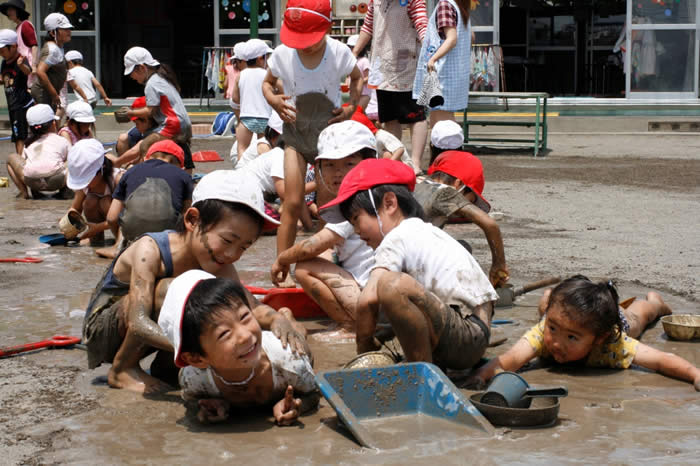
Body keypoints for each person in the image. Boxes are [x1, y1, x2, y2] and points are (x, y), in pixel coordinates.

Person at [82, 170, 308, 393]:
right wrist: (205, 350)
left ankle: (166, 368)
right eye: (227, 240)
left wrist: (278, 319)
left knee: (219, 307)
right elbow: (138, 322)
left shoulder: (219, 261)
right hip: (106, 332)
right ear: (192, 220)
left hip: (150, 333)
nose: (232, 255)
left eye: (243, 247)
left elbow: (248, 306)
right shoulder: (149, 250)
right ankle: (122, 369)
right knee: (176, 291)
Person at [320, 159, 498, 368]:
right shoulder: (423, 231)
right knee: (388, 296)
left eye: (356, 219)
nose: (357, 232)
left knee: (390, 285)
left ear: (389, 204)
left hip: (466, 335)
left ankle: (418, 376)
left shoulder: (396, 238)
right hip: (474, 332)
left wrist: (364, 354)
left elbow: (366, 302)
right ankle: (424, 364)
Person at [262, 0, 363, 278]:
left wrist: (351, 106)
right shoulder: (283, 54)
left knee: (327, 205)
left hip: (328, 140)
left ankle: (320, 266)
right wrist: (273, 100)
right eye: (300, 40)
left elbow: (357, 78)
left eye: (311, 40)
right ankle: (281, 266)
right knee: (292, 203)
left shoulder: (338, 52)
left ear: (326, 28)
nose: (305, 46)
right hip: (295, 135)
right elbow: (266, 83)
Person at [472, 275, 700, 392]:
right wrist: (481, 376)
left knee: (637, 318)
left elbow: (661, 360)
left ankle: (655, 303)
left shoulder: (613, 344)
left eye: (572, 338)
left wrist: (694, 374)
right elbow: (510, 359)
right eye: (553, 330)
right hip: (562, 313)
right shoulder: (544, 334)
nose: (557, 344)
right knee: (548, 308)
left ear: (597, 340)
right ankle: (548, 299)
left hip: (617, 321)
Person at [159, 270, 319, 425]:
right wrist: (205, 407)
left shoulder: (290, 362)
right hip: (258, 350)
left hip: (284, 349)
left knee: (298, 336)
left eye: (245, 316)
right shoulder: (194, 378)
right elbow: (191, 401)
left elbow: (314, 392)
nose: (245, 335)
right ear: (196, 358)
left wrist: (299, 405)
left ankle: (288, 318)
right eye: (224, 334)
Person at [271, 121, 377, 336]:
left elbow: (311, 246)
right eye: (329, 165)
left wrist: (282, 259)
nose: (338, 173)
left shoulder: (358, 202)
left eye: (349, 164)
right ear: (319, 169)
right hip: (382, 294)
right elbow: (327, 247)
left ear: (368, 163)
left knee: (303, 267)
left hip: (373, 300)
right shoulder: (377, 193)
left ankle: (350, 325)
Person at [353, 0, 429, 174]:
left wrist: (429, 49)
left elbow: (422, 24)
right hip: (382, 64)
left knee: (415, 115)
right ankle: (395, 159)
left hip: (407, 63)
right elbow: (368, 27)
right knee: (389, 117)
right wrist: (355, 51)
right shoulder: (376, 1)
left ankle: (415, 163)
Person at [413, 149, 508, 287]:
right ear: (458, 184)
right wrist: (499, 264)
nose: (469, 205)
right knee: (462, 248)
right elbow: (490, 225)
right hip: (413, 260)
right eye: (470, 200)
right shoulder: (445, 192)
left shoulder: (418, 184)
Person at [96, 139, 193, 259]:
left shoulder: (130, 172)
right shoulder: (184, 176)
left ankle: (119, 247)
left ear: (146, 158)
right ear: (179, 165)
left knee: (126, 208)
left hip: (132, 232)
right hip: (168, 238)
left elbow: (111, 218)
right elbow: (188, 214)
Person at [123, 46, 195, 172]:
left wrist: (130, 113)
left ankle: (147, 173)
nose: (132, 78)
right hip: (182, 123)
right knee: (176, 148)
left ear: (141, 68)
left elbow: (150, 111)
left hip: (173, 124)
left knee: (146, 145)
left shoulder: (152, 84)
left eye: (132, 73)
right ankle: (183, 170)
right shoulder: (161, 78)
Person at [413, 0, 472, 126]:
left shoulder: (445, 4)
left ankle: (447, 145)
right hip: (454, 74)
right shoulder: (459, 6)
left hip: (443, 74)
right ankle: (439, 145)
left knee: (443, 122)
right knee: (439, 118)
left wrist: (433, 58)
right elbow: (471, 36)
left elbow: (452, 39)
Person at [7, 103, 70, 199]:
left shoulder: (28, 144)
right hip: (57, 181)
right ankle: (66, 191)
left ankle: (24, 193)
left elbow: (24, 163)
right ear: (53, 124)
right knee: (74, 157)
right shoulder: (61, 140)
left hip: (32, 181)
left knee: (12, 158)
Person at [65, 138, 121, 245]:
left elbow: (128, 217)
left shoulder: (118, 179)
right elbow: (76, 208)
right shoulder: (85, 186)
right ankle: (96, 240)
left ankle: (119, 242)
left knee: (105, 203)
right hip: (99, 225)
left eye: (87, 179)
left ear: (101, 169)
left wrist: (99, 227)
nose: (85, 184)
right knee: (90, 201)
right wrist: (68, 223)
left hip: (122, 225)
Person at [233, 39, 273, 161]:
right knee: (264, 149)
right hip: (265, 118)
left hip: (246, 118)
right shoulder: (266, 75)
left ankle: (241, 172)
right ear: (260, 58)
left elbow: (235, 100)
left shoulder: (241, 75)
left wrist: (239, 116)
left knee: (242, 149)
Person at [0, 28, 33, 154]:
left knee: (20, 136)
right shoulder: (4, 63)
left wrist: (20, 66)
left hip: (22, 104)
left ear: (13, 46)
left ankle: (21, 163)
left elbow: (28, 71)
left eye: (2, 49)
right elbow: (4, 79)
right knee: (17, 135)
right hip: (12, 105)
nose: (1, 52)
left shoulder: (20, 59)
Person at [30, 12, 72, 111]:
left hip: (48, 94)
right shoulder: (52, 49)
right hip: (43, 94)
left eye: (69, 29)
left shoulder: (58, 47)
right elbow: (40, 71)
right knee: (46, 123)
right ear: (53, 33)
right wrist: (54, 94)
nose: (69, 31)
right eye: (64, 29)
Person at [351, 105, 412, 169]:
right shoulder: (369, 140)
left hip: (406, 166)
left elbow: (400, 149)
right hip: (388, 167)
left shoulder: (381, 136)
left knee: (387, 155)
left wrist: (389, 164)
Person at [0, 0, 38, 88]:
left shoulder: (26, 25)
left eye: (11, 10)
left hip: (28, 67)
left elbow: (34, 46)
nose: (8, 13)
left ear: (18, 11)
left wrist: (34, 66)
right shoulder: (19, 27)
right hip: (20, 66)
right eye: (7, 10)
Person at [113, 96, 157, 163]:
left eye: (137, 123)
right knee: (123, 138)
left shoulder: (158, 131)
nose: (136, 126)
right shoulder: (137, 131)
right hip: (136, 153)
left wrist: (118, 162)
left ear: (147, 120)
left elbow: (135, 150)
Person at [345, 34, 370, 110]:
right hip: (353, 93)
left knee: (358, 111)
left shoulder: (364, 61)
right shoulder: (351, 61)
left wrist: (359, 82)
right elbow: (348, 76)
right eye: (349, 47)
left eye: (352, 47)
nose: (351, 49)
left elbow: (368, 77)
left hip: (364, 93)